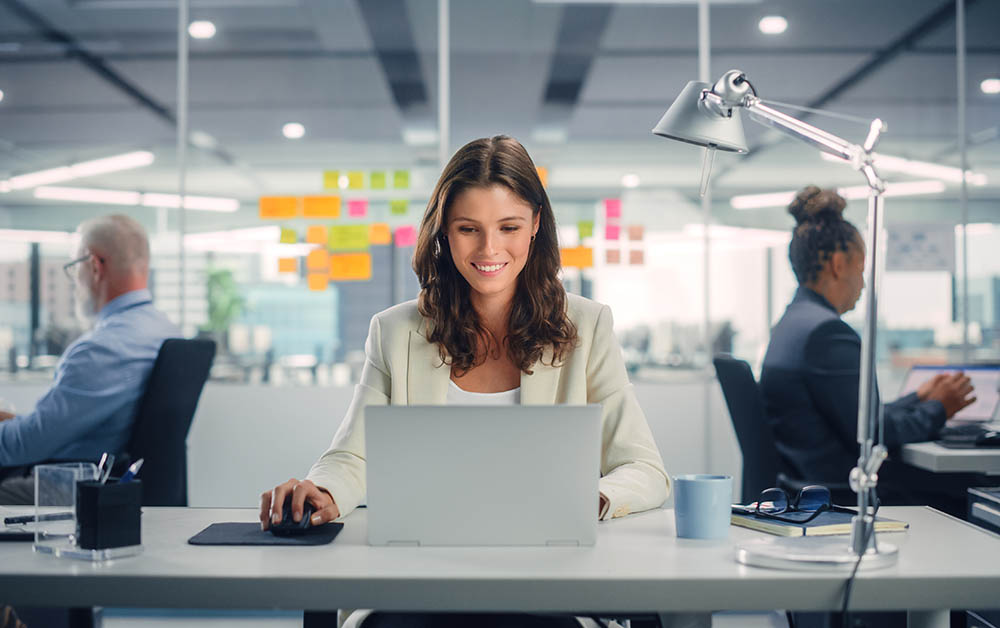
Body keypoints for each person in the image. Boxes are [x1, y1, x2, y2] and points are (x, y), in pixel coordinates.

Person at [260, 135, 669, 627]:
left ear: (536, 225)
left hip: (549, 582)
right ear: (444, 234)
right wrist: (321, 492)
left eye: (509, 227)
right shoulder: (395, 332)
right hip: (418, 582)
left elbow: (644, 469)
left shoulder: (587, 325)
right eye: (468, 228)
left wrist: (593, 497)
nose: (489, 248)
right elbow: (353, 455)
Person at [759, 186, 976, 508]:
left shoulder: (792, 325)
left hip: (806, 485)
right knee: (976, 487)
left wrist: (918, 397)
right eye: (861, 268)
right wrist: (939, 408)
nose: (863, 283)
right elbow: (872, 434)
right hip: (845, 493)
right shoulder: (827, 333)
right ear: (838, 264)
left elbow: (856, 417)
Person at [0, 214, 180, 504]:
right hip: (116, 482)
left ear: (94, 266)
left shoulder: (102, 349)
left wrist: (23, 429)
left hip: (77, 486)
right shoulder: (164, 331)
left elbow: (28, 444)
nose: (74, 282)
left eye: (74, 268)